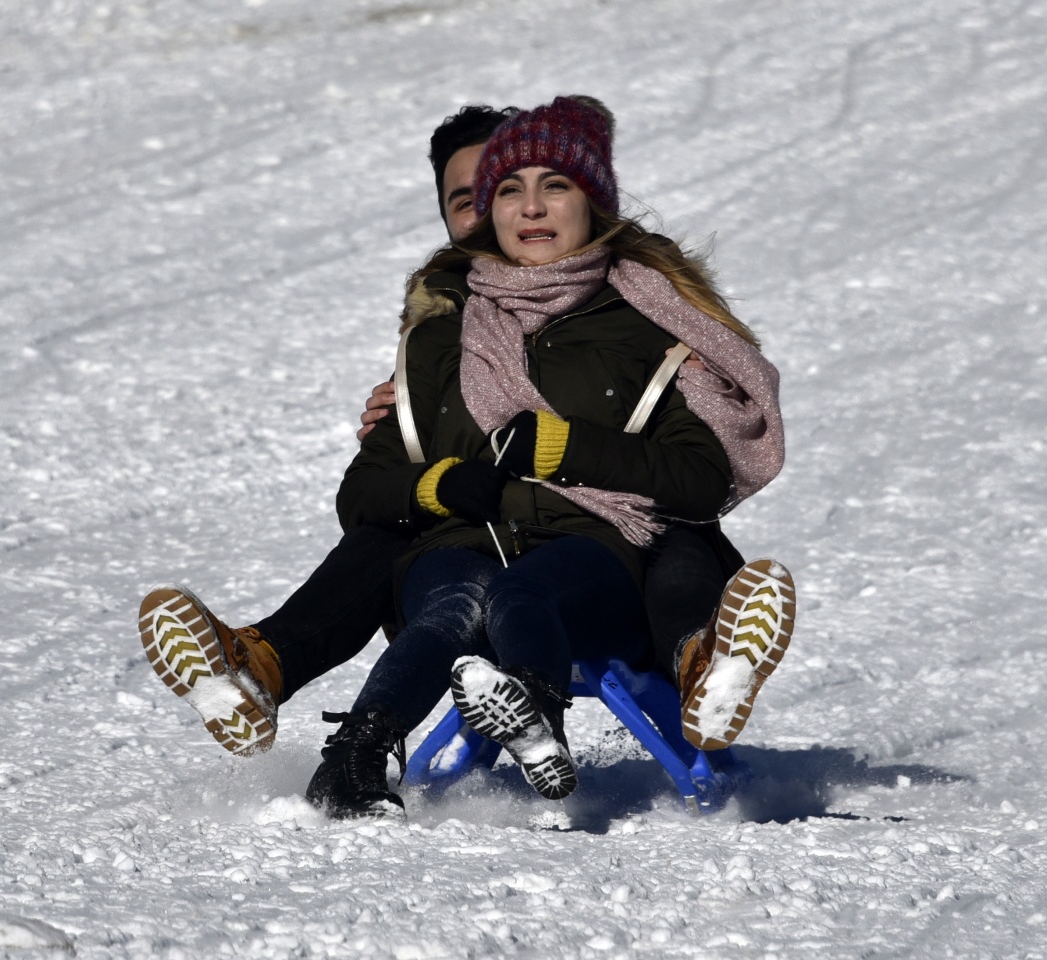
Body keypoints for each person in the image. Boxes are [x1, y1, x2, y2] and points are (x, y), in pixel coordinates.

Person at [303, 96, 795, 819]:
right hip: (480, 542)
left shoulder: (641, 318)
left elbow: (695, 476)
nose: (524, 209)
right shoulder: (448, 327)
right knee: (455, 599)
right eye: (500, 193)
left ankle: (700, 667)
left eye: (554, 186)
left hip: (607, 550)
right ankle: (352, 751)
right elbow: (376, 480)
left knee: (613, 569)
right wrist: (426, 463)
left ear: (594, 202)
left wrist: (567, 447)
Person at [136, 105, 520, 756]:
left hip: (570, 557)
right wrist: (403, 431)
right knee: (386, 527)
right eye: (463, 201)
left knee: (406, 528)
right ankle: (261, 668)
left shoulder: (602, 298)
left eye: (502, 190)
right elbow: (371, 492)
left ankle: (275, 672)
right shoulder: (442, 318)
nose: (484, 214)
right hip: (464, 552)